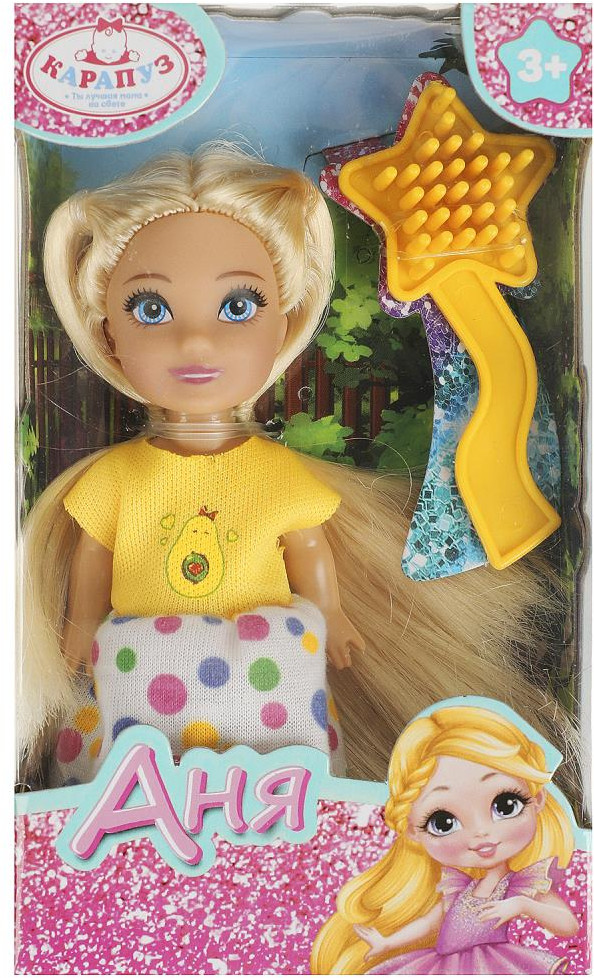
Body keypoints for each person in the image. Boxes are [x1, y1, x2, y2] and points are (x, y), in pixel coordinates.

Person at [19, 144, 574, 786]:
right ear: (107, 331)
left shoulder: (273, 474)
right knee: (134, 773)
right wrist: (79, 628)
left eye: (238, 307)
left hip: (265, 667)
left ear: (283, 324)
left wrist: (330, 613)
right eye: (151, 309)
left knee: (280, 767)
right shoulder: (114, 479)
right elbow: (93, 556)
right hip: (139, 667)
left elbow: (307, 543)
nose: (195, 340)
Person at [311, 704, 579, 975]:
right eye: (443, 822)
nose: (480, 832)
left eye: (506, 805)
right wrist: (387, 942)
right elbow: (428, 924)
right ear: (412, 829)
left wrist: (523, 905)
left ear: (538, 798)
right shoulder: (458, 887)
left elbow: (568, 924)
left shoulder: (518, 885)